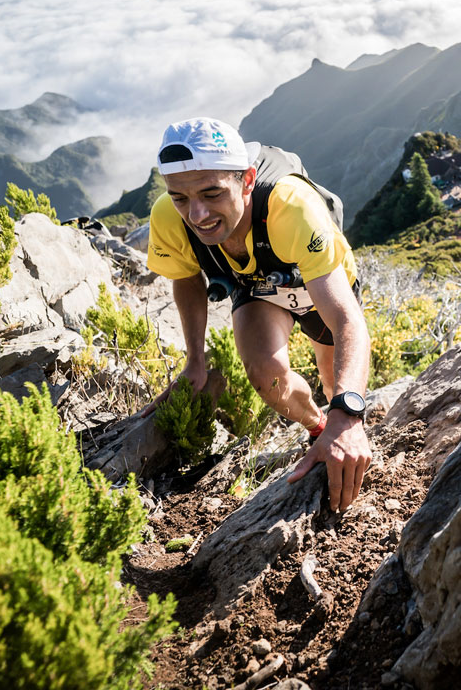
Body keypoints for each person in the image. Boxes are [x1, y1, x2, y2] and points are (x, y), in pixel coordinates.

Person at [141, 117, 372, 512]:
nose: (196, 214)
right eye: (180, 197)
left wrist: (348, 414)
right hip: (253, 280)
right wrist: (194, 362)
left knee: (335, 378)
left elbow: (347, 320)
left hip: (312, 276)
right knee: (265, 375)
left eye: (212, 193)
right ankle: (318, 429)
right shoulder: (168, 216)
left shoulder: (292, 208)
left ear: (247, 181)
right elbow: (187, 278)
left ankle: (346, 435)